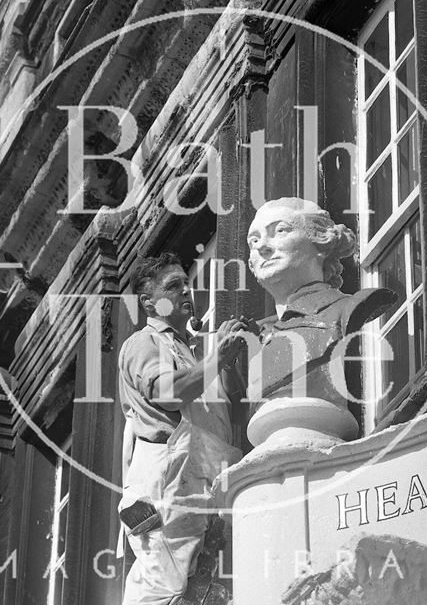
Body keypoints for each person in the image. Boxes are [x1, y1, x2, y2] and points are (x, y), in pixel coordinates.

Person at [117, 252, 249, 605]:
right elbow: (168, 393)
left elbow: (231, 416)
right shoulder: (144, 343)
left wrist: (228, 363)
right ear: (148, 301)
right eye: (174, 286)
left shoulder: (191, 354)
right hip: (165, 489)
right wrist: (216, 359)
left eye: (187, 285)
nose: (186, 292)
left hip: (202, 483)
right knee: (163, 589)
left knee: (198, 591)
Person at [246, 197, 397, 409]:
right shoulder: (253, 339)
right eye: (253, 240)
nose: (262, 245)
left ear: (320, 241)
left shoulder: (346, 309)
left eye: (280, 230)